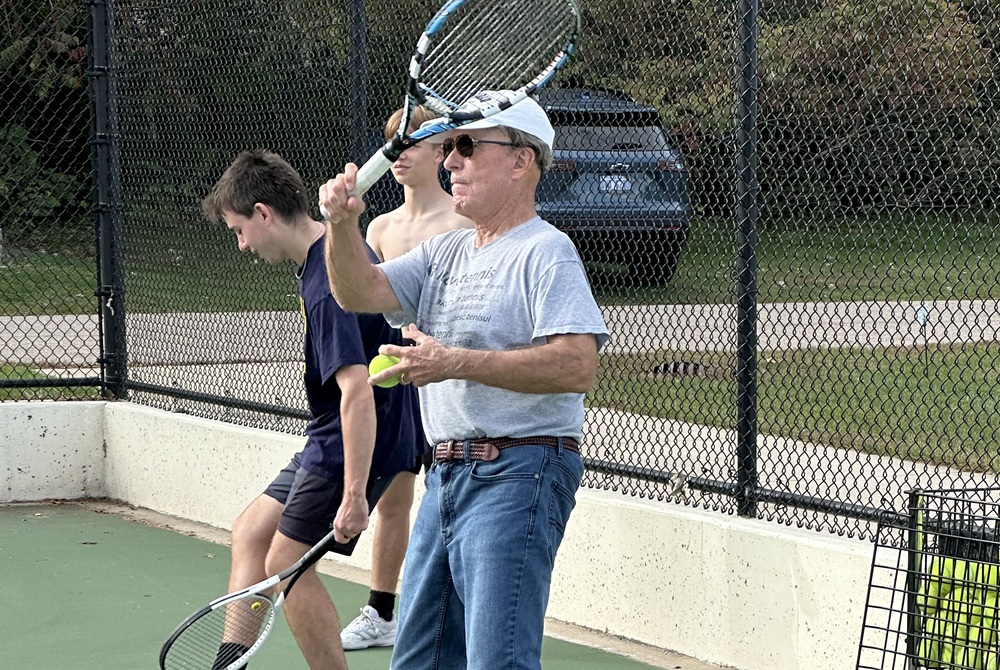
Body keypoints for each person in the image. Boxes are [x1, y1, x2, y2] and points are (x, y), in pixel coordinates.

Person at [318, 91, 610, 669]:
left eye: (467, 146)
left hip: (519, 473)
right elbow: (357, 292)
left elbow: (577, 365)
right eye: (449, 147)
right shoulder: (446, 251)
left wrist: (454, 362)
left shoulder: (546, 253)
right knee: (419, 659)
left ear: (521, 161)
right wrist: (342, 224)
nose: (450, 160)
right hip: (445, 477)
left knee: (495, 660)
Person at [200, 149, 419, 670]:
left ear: (263, 213)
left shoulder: (326, 284)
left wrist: (353, 496)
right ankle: (229, 665)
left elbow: (358, 391)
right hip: (335, 433)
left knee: (285, 564)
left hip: (355, 438)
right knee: (252, 531)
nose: (242, 244)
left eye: (239, 229)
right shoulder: (330, 253)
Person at [340, 105, 474, 651]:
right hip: (396, 381)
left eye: (414, 143)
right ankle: (381, 611)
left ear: (443, 153)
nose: (400, 154)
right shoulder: (379, 226)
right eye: (394, 143)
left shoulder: (462, 224)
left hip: (447, 384)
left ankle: (467, 612)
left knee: (457, 504)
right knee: (394, 498)